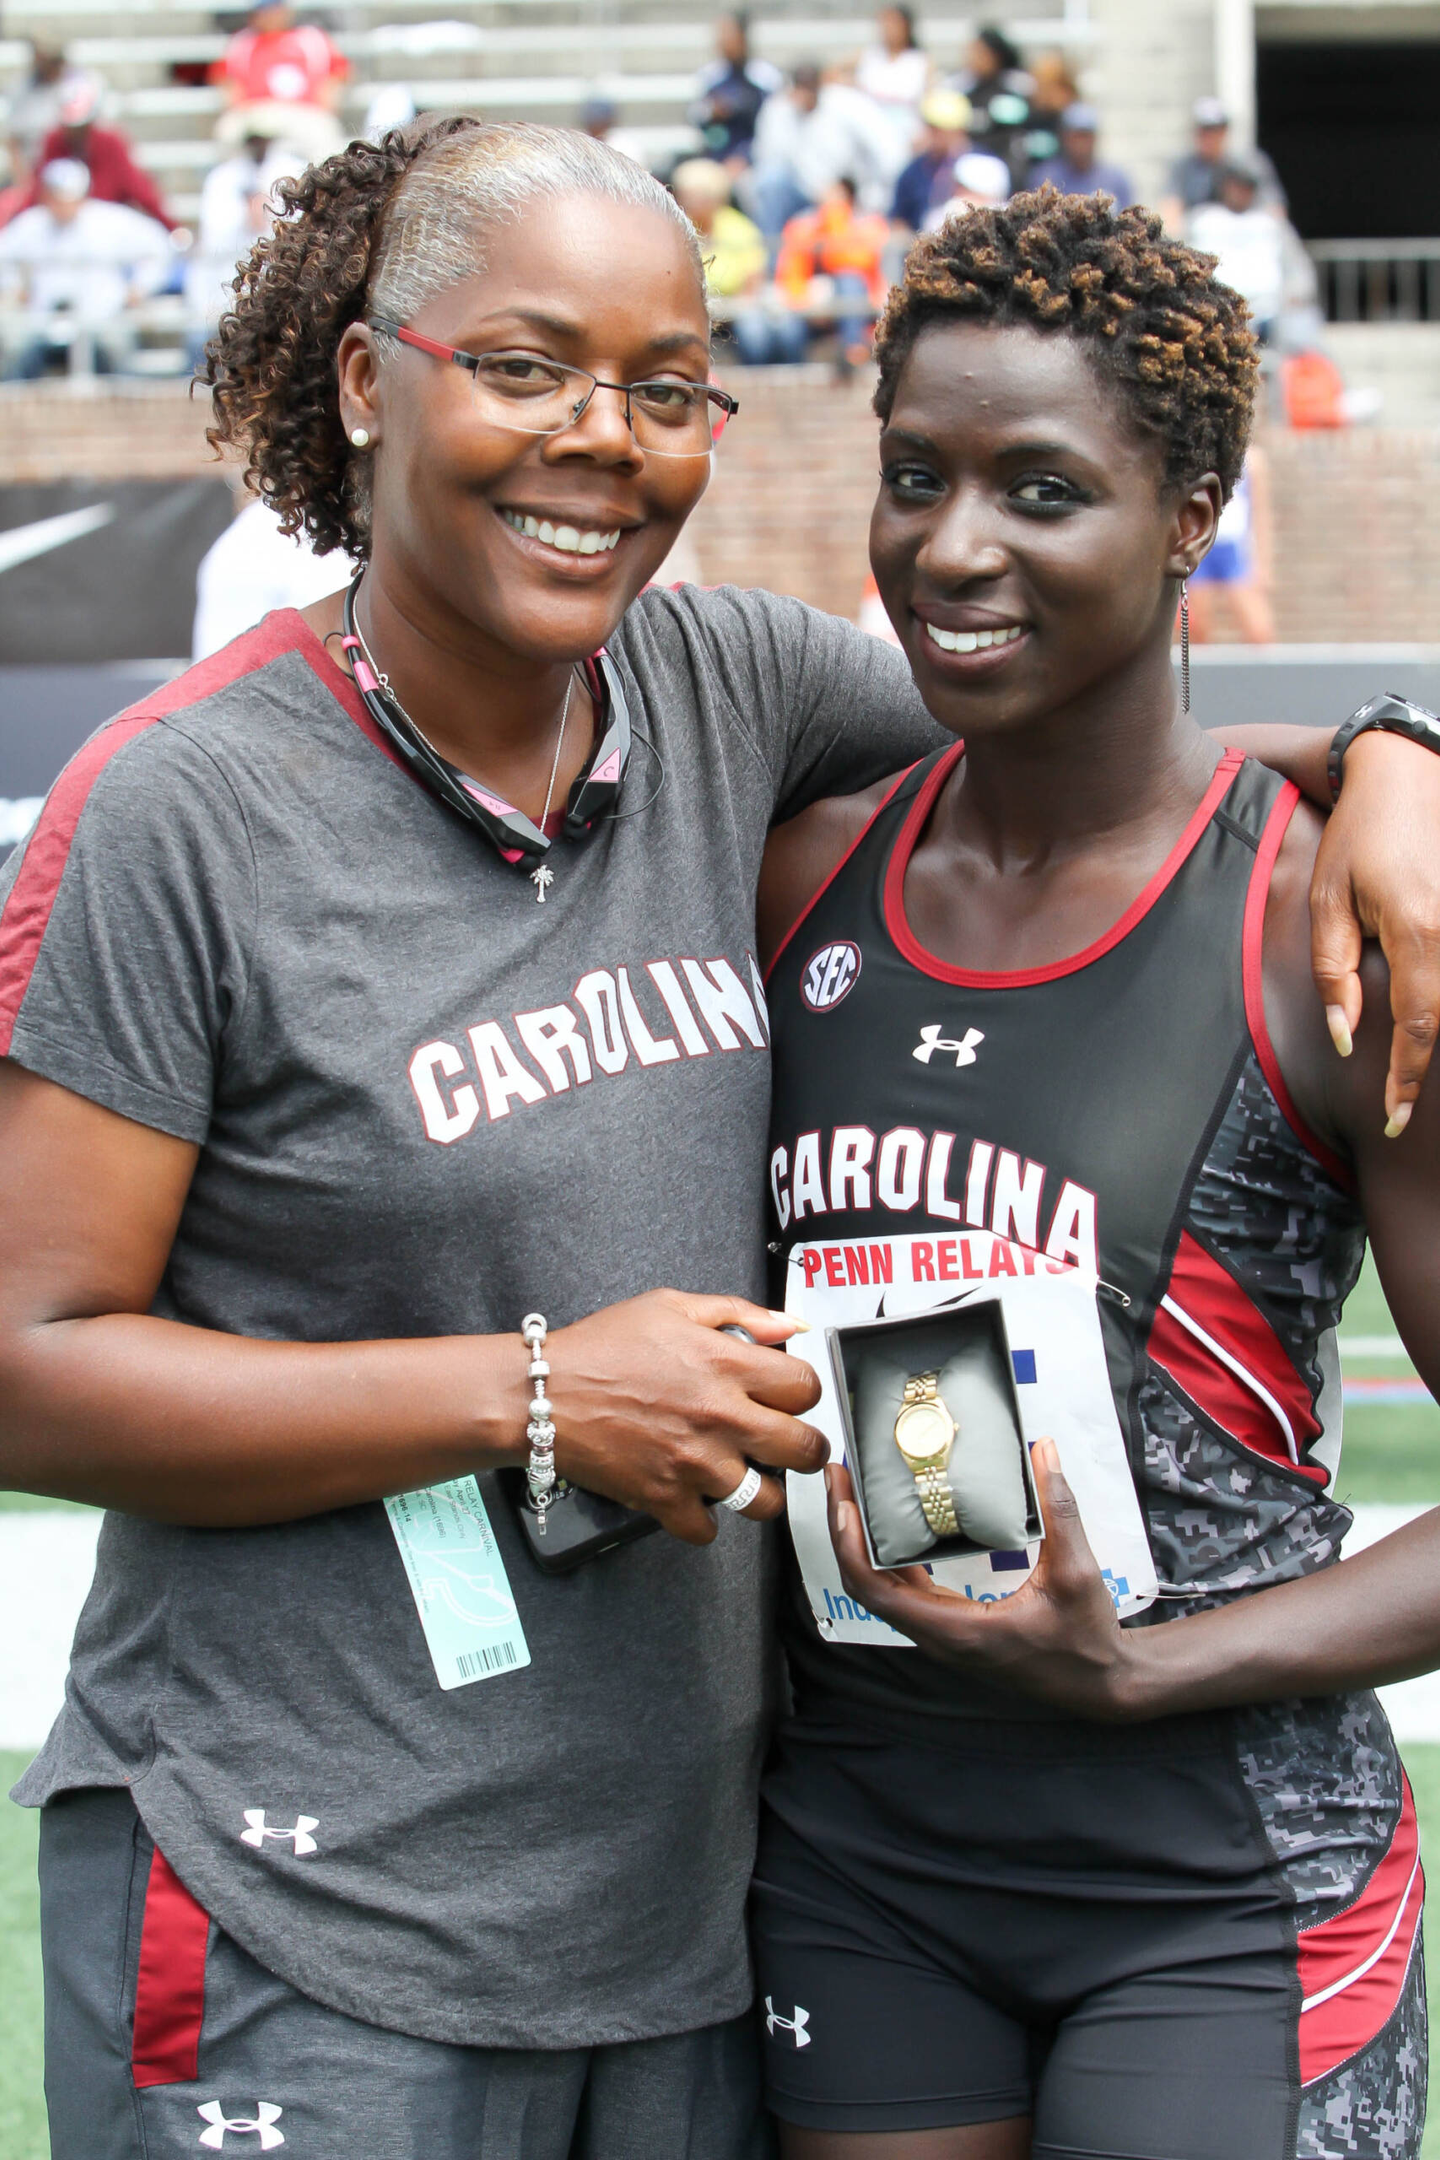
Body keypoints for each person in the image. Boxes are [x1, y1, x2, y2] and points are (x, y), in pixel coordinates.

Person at [1, 116, 1436, 2160]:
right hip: (303, 1888)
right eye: (522, 367)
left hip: (689, 1910)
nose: (601, 437)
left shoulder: (726, 690)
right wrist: (534, 1396)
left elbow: (1090, 737)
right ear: (361, 377)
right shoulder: (178, 814)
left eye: (665, 390)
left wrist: (1398, 756)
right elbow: (22, 1359)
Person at [752, 185, 1440, 2158]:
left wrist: (1149, 1673)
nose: (953, 548)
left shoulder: (1325, 925)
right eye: (915, 476)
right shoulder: (802, 878)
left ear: (1193, 507)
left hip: (1214, 1881)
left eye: (1041, 490)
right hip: (858, 1856)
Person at [0, 157, 172, 378]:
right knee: (16, 359)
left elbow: (158, 246)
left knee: (119, 360)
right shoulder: (31, 224)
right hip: (42, 320)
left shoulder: (109, 220)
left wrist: (140, 287)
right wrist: (14, 287)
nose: (63, 205)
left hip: (101, 318)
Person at [184, 118, 301, 366]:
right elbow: (215, 239)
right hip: (228, 292)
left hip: (280, 292)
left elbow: (297, 231)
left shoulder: (292, 170)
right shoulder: (223, 179)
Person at [744, 64, 899, 240]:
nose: (806, 95)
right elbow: (768, 159)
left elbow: (886, 149)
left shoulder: (847, 103)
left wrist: (859, 192)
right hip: (801, 196)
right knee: (770, 181)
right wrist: (818, 190)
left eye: (810, 87)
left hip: (850, 192)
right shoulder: (778, 110)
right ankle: (772, 258)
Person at [17, 74, 177, 231]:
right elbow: (39, 189)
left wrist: (171, 227)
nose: (75, 132)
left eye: (81, 126)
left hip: (107, 233)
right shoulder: (54, 141)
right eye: (70, 127)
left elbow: (139, 189)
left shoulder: (110, 142)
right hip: (62, 230)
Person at [769, 174, 890, 368]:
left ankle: (854, 352)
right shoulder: (802, 226)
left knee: (849, 281)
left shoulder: (869, 224)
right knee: (786, 330)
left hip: (860, 310)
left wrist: (835, 220)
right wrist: (810, 304)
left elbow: (853, 264)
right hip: (808, 309)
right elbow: (790, 276)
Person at [213, 1, 348, 162]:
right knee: (229, 131)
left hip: (303, 111)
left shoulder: (311, 38)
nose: (270, 16)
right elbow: (227, 82)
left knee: (325, 136)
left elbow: (337, 73)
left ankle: (327, 184)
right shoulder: (242, 41)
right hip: (256, 110)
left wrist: (326, 103)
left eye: (274, 10)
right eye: (265, 11)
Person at [1189, 152, 1291, 341]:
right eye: (1237, 184)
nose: (1241, 191)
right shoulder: (1204, 220)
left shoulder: (1268, 222)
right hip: (1214, 313)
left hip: (1267, 314)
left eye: (1248, 186)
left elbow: (1296, 270)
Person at [1160, 94, 1286, 231]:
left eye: (1216, 130)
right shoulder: (1182, 167)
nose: (1210, 137)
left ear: (1225, 131)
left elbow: (1275, 211)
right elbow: (1170, 213)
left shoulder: (1250, 164)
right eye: (1204, 130)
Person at [1188, 450, 1274, 645]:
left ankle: (1263, 674)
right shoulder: (1198, 456)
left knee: (1259, 630)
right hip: (1203, 549)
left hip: (1235, 550)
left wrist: (1264, 562)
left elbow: (1261, 514)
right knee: (1198, 628)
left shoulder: (1252, 461)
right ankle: (1200, 675)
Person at [671, 157, 767, 313]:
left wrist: (741, 306)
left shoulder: (739, 228)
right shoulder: (673, 228)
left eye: (698, 197)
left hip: (736, 307)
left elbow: (754, 277)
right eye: (686, 196)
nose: (690, 202)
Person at [688, 12, 783, 169]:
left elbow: (771, 128)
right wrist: (712, 112)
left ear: (743, 38)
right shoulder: (710, 76)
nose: (723, 41)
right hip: (716, 155)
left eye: (728, 35)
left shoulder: (765, 77)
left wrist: (745, 157)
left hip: (756, 160)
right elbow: (695, 115)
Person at [852, 7, 931, 167]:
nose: (888, 29)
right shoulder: (868, 56)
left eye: (894, 23)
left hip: (907, 138)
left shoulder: (920, 61)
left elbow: (930, 98)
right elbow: (831, 74)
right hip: (869, 137)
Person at [949, 27, 1033, 176]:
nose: (973, 58)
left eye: (980, 53)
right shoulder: (963, 93)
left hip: (1004, 166)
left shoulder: (1015, 89)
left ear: (995, 56)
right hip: (971, 167)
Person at [889, 90, 971, 236]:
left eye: (941, 129)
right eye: (931, 127)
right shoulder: (913, 171)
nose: (935, 135)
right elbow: (898, 220)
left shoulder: (982, 165)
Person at [1027, 100, 1135, 205]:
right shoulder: (1045, 177)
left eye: (1085, 136)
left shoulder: (1116, 179)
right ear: (1064, 137)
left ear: (1095, 138)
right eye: (1075, 137)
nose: (1080, 144)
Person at [3, 41, 72, 193]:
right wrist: (23, 181)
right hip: (30, 171)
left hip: (68, 173)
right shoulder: (21, 89)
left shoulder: (75, 88)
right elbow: (13, 141)